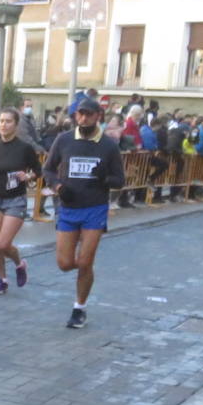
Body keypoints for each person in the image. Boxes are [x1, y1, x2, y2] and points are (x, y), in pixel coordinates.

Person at [42, 97, 125, 329]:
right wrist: (59, 187)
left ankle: (79, 308)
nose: (84, 118)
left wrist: (104, 179)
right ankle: (85, 274)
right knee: (65, 263)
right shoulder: (64, 139)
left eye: (88, 114)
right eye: (80, 114)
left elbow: (120, 180)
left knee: (86, 261)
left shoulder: (108, 145)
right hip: (68, 208)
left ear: (98, 115)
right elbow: (47, 169)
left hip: (94, 209)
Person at [0, 107, 41, 294]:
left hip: (15, 199)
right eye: (1, 121)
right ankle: (2, 280)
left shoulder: (24, 148)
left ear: (15, 125)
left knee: (3, 244)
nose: (3, 125)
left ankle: (19, 264)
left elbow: (38, 171)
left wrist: (28, 176)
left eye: (8, 121)